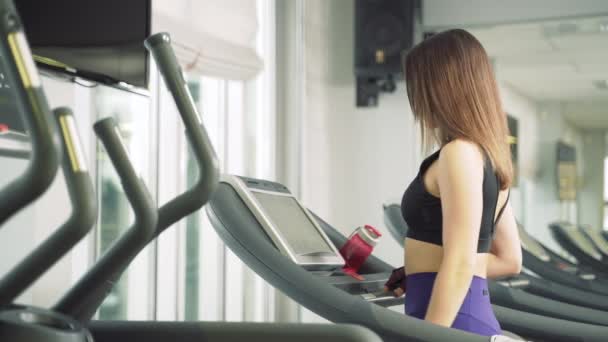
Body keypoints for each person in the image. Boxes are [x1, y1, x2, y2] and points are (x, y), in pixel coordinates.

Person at [387, 29, 522, 337]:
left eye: (420, 89)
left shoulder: (458, 153)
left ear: (444, 89)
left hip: (452, 325)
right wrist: (420, 272)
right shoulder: (489, 155)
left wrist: (429, 337)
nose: (416, 101)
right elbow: (510, 260)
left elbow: (460, 261)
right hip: (463, 319)